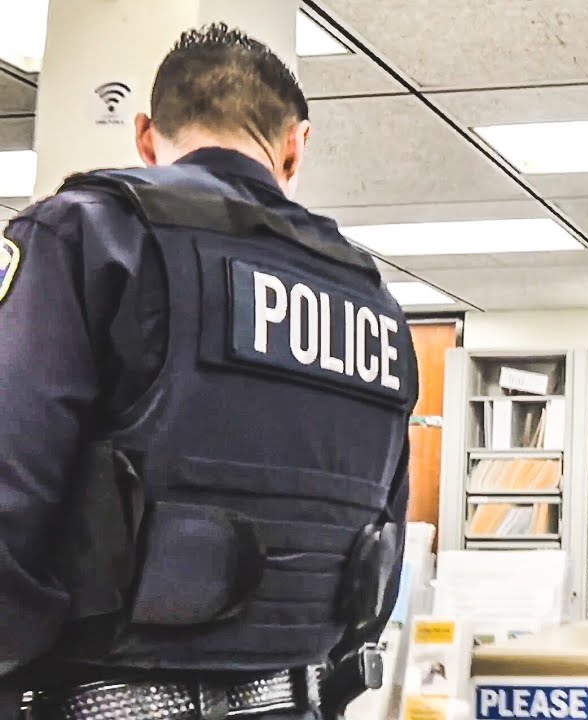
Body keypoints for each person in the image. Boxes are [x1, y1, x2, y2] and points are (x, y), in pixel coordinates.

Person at [0, 23, 416, 720]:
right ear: (295, 145)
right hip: (298, 699)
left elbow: (10, 484)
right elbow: (380, 539)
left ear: (143, 136)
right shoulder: (374, 302)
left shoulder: (87, 234)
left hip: (97, 699)